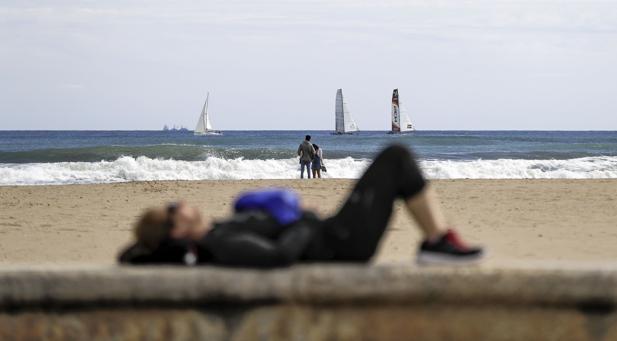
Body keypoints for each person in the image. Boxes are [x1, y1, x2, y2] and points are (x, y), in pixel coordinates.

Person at [119, 145, 483, 267]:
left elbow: (131, 254)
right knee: (396, 158)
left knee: (396, 159)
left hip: (333, 237)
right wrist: (302, 219)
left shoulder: (216, 233)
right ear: (176, 229)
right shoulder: (221, 242)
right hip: (340, 243)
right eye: (172, 208)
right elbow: (279, 256)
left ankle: (436, 241)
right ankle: (436, 242)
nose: (180, 203)